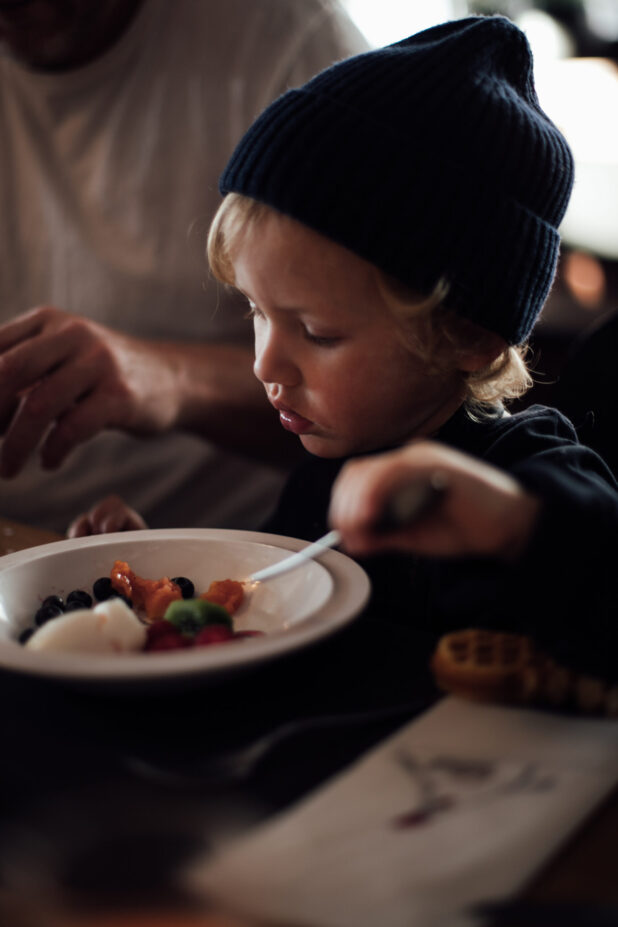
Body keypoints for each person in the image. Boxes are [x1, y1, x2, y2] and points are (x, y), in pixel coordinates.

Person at [74, 16, 618, 680]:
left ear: (467, 336)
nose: (265, 365)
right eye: (257, 312)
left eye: (318, 333)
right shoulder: (325, 473)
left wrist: (511, 522)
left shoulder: (530, 470)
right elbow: (262, 600)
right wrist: (158, 581)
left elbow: (598, 574)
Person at [0, 0, 368, 533]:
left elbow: (404, 387)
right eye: (256, 312)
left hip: (236, 544)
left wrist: (171, 379)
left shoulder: (288, 41)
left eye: (311, 329)